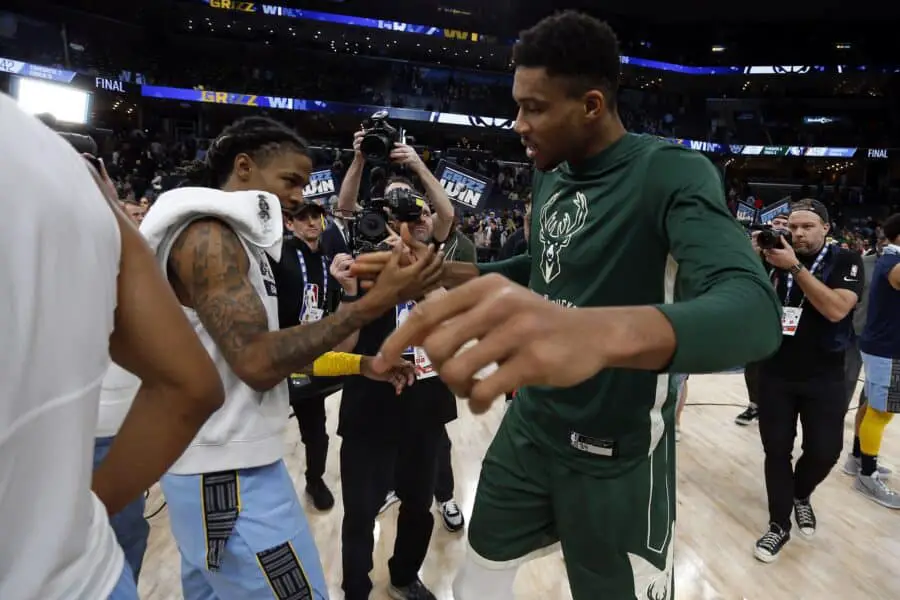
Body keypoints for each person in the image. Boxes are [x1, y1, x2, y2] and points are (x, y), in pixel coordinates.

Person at [356, 12, 782, 599]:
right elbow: (542, 268)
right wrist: (436, 275)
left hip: (618, 450)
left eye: (533, 108)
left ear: (591, 105)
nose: (518, 124)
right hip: (532, 426)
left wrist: (594, 333)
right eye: (517, 106)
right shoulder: (550, 174)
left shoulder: (672, 173)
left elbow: (754, 312)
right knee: (475, 580)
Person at [139, 116, 441, 600]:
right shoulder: (207, 234)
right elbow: (258, 363)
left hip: (228, 463)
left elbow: (278, 352)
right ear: (244, 167)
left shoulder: (239, 240)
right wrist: (370, 304)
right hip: (224, 471)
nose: (300, 196)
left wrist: (363, 364)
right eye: (291, 181)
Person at [0, 95, 224, 600]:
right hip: (84, 566)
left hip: (100, 432)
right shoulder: (96, 217)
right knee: (123, 541)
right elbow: (192, 385)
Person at [337, 179, 459, 600]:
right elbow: (342, 346)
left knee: (418, 507)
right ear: (383, 221)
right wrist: (351, 290)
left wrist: (412, 263)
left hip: (424, 410)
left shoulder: (435, 264)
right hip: (369, 410)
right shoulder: (363, 263)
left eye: (419, 212)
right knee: (359, 513)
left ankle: (404, 577)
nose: (415, 220)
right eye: (401, 214)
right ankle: (355, 587)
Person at [751, 199, 863, 562]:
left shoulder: (846, 260)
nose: (798, 233)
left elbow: (836, 309)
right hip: (775, 371)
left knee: (825, 451)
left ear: (826, 228)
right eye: (793, 227)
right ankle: (778, 524)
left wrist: (795, 267)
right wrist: (752, 258)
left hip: (825, 373)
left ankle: (800, 494)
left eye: (807, 227)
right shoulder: (773, 256)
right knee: (776, 451)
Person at [274, 199, 348, 511]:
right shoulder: (278, 254)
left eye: (315, 217)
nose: (311, 222)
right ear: (289, 223)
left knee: (316, 432)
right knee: (263, 428)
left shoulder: (327, 260)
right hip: (275, 354)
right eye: (303, 218)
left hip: (307, 358)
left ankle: (314, 480)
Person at [855, 214, 900, 508]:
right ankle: (867, 476)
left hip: (882, 345)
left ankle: (858, 458)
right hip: (888, 348)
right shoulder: (894, 263)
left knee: (872, 405)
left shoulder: (888, 259)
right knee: (881, 412)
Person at [842, 233, 892, 478]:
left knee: (870, 399)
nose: (884, 242)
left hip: (882, 339)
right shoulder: (864, 262)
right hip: (857, 331)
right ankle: (826, 443)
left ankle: (859, 453)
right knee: (845, 384)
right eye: (882, 239)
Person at [736, 212, 790, 427]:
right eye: (776, 223)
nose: (780, 227)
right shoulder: (760, 250)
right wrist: (753, 251)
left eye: (785, 224)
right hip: (761, 314)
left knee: (784, 365)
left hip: (790, 315)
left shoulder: (795, 253)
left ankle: (780, 407)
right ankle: (754, 404)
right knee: (753, 364)